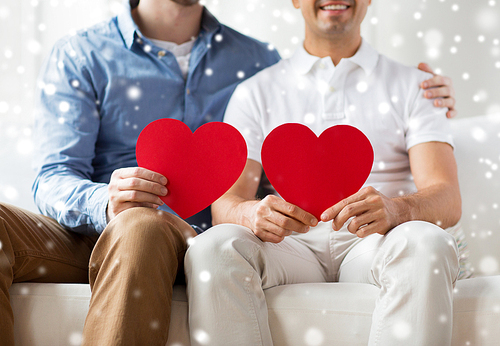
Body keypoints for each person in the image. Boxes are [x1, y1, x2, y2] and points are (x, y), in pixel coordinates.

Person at [0, 0, 456, 345]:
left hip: (171, 233)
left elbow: (314, 91)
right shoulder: (82, 54)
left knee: (143, 225)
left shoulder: (252, 60)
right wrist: (104, 200)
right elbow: (54, 176)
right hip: (92, 229)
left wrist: (427, 92)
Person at [184, 0, 464, 345]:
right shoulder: (256, 92)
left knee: (428, 242)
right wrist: (251, 212)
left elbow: (447, 198)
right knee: (211, 247)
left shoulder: (418, 86)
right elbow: (225, 204)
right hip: (290, 247)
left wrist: (396, 209)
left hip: (374, 244)